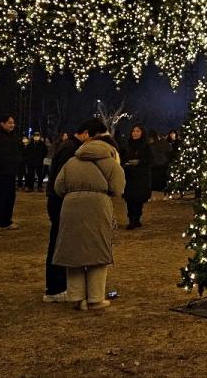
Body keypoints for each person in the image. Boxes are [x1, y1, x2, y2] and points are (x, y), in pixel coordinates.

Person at [52, 118, 125, 311]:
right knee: (97, 251)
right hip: (98, 207)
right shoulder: (109, 162)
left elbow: (58, 187)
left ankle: (76, 297)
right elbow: (118, 188)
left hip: (71, 207)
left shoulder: (71, 162)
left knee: (73, 252)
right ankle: (95, 298)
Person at [43, 126, 84, 303]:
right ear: (86, 133)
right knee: (59, 244)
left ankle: (59, 285)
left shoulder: (68, 146)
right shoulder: (71, 149)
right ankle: (55, 287)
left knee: (59, 242)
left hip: (58, 200)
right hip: (60, 202)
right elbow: (62, 179)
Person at [0, 114, 23, 231]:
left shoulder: (15, 137)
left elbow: (19, 152)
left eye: (13, 123)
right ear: (2, 124)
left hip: (11, 173)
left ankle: (6, 220)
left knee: (9, 197)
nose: (12, 125)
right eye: (9, 123)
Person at [120, 125, 152, 229]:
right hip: (129, 176)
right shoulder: (127, 145)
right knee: (130, 198)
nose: (135, 133)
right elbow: (122, 158)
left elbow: (149, 160)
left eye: (138, 131)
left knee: (138, 199)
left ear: (142, 133)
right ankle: (131, 219)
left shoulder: (146, 146)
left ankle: (136, 218)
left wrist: (139, 162)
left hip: (140, 176)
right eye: (133, 131)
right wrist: (126, 163)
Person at [150, 130, 170, 198]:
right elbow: (168, 151)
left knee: (155, 181)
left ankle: (156, 194)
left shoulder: (151, 145)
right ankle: (163, 194)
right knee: (162, 180)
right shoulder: (164, 143)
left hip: (155, 165)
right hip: (163, 163)